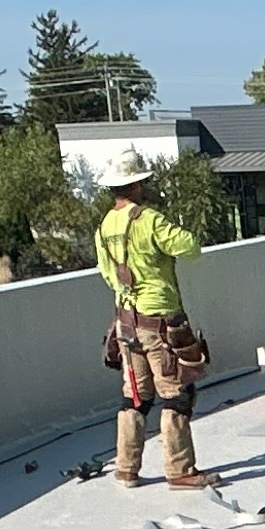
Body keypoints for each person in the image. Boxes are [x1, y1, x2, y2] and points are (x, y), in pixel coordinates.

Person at [92, 152, 216, 489]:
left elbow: (108, 275)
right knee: (177, 394)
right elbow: (190, 247)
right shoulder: (149, 220)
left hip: (125, 323)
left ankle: (126, 468)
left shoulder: (104, 227)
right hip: (158, 320)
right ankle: (180, 470)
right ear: (136, 184)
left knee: (136, 396)